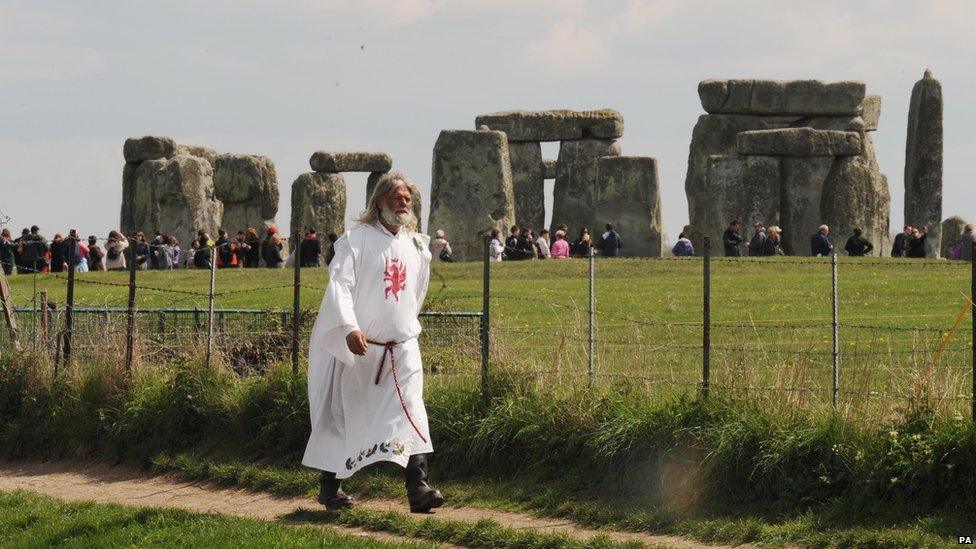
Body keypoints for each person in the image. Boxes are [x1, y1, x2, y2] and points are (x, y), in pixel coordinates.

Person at [302, 171, 443, 514]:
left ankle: (419, 489)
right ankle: (329, 488)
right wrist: (349, 328)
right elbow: (340, 285)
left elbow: (416, 292)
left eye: (407, 198)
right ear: (379, 202)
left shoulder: (416, 245)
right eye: (396, 197)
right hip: (362, 350)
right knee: (345, 416)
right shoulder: (357, 240)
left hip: (403, 348)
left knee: (413, 413)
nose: (403, 203)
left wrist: (404, 326)